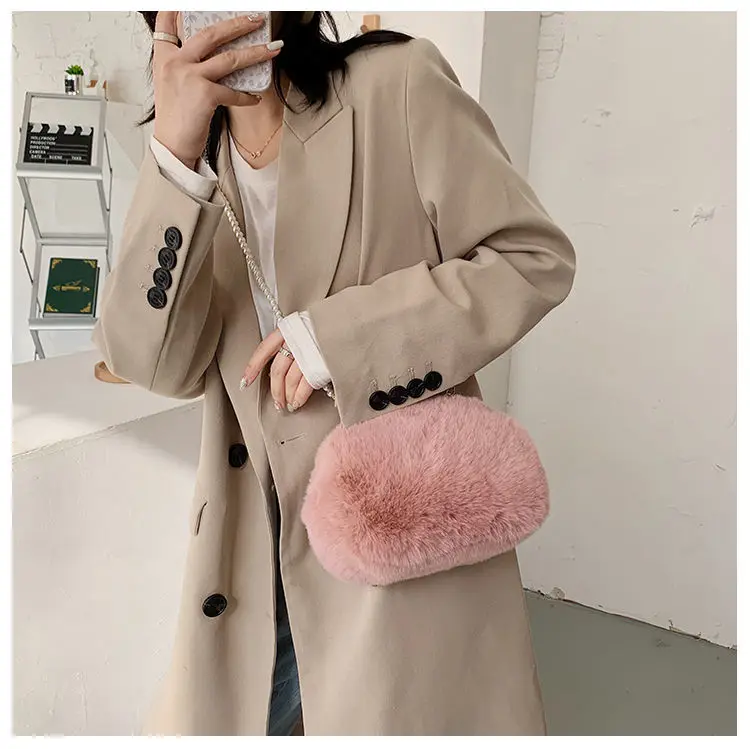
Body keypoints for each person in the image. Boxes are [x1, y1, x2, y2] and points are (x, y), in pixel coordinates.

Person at [93, 10, 576, 736]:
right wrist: (173, 154)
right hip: (249, 552)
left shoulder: (396, 84)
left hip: (386, 533)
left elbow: (532, 259)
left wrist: (343, 340)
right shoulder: (190, 160)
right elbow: (152, 362)